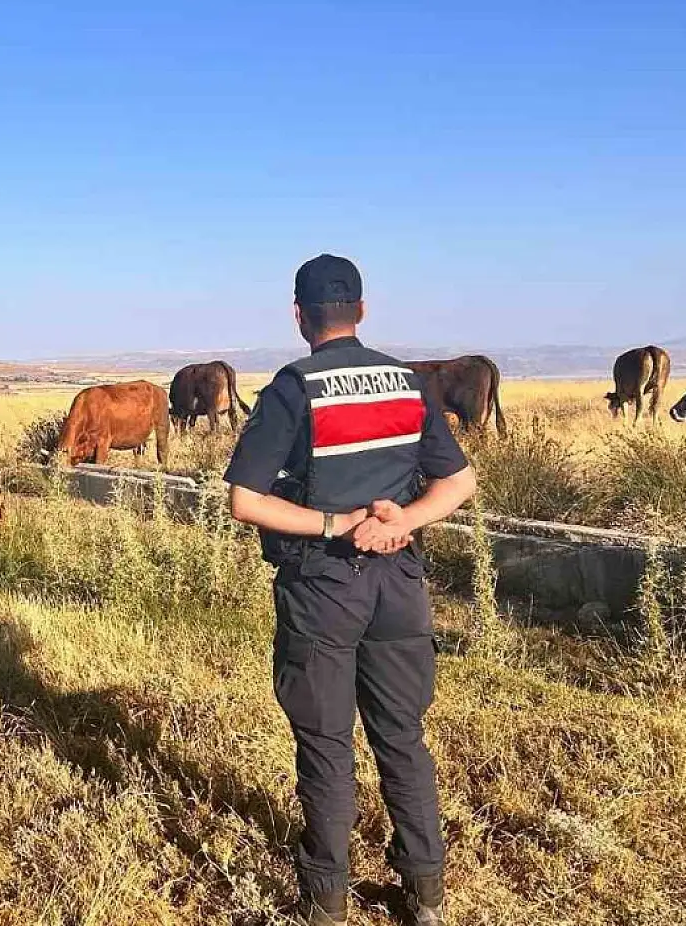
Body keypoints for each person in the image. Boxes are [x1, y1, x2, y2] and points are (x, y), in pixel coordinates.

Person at [224, 255, 478, 926]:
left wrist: (338, 523)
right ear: (363, 311)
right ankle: (425, 896)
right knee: (403, 737)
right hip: (400, 584)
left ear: (299, 315)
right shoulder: (408, 381)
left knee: (328, 744)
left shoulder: (293, 388)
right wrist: (401, 522)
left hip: (323, 587)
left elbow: (245, 500)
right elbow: (458, 483)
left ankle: (326, 902)